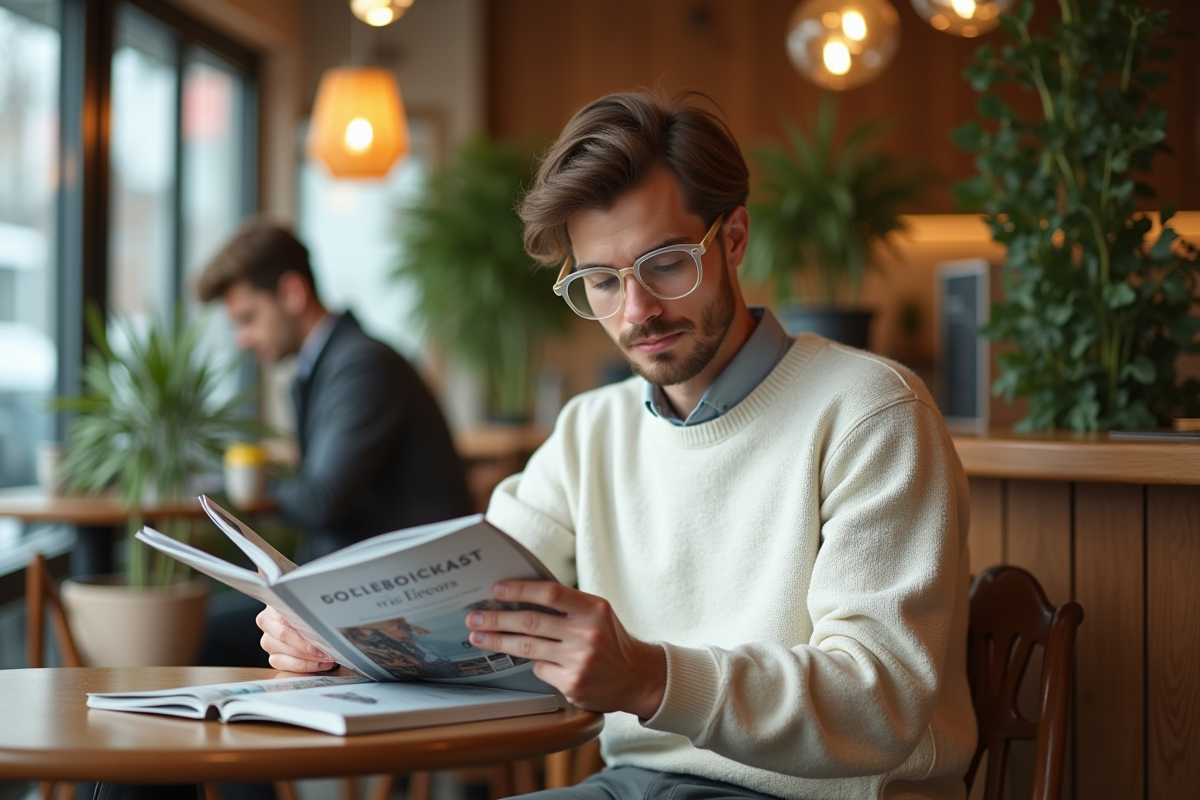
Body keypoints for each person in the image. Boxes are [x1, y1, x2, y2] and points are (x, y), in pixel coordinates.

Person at [258, 91, 976, 800]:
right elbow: (470, 611)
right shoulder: (590, 431)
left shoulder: (871, 412)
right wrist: (345, 643)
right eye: (601, 281)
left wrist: (650, 678)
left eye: (665, 264)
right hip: (631, 783)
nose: (637, 311)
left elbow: (880, 702)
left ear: (732, 238)